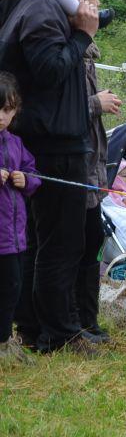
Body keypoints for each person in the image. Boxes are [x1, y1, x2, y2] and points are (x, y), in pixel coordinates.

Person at [2, 0, 99, 355]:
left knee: (41, 241)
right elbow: (48, 70)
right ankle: (58, 333)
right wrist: (82, 36)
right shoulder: (40, 5)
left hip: (45, 137)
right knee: (60, 242)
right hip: (53, 142)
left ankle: (35, 326)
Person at [76, 0, 120, 344]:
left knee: (92, 243)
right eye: (94, 1)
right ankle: (77, 321)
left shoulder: (86, 52)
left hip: (91, 165)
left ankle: (88, 320)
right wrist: (95, 103)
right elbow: (54, 110)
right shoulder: (73, 50)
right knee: (80, 244)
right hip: (76, 165)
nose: (99, 9)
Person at [0, 72, 39, 365]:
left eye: (7, 109)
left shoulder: (15, 143)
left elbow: (33, 173)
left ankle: (4, 341)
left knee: (12, 286)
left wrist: (27, 180)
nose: (1, 116)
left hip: (13, 237)